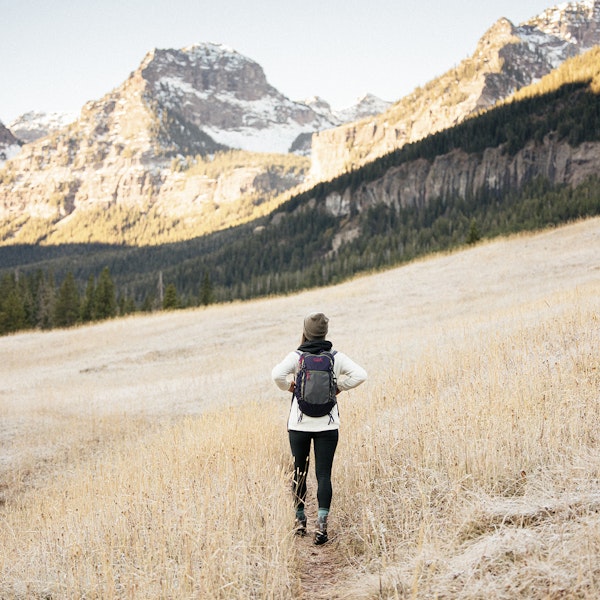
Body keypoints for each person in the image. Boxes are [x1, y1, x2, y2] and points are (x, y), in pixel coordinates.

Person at [271, 312, 367, 545]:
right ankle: (322, 526)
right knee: (323, 474)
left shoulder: (297, 356)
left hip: (299, 423)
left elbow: (276, 375)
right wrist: (338, 387)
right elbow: (361, 375)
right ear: (325, 332)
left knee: (299, 471)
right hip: (328, 423)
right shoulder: (335, 357)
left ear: (305, 331)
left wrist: (291, 388)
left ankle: (300, 520)